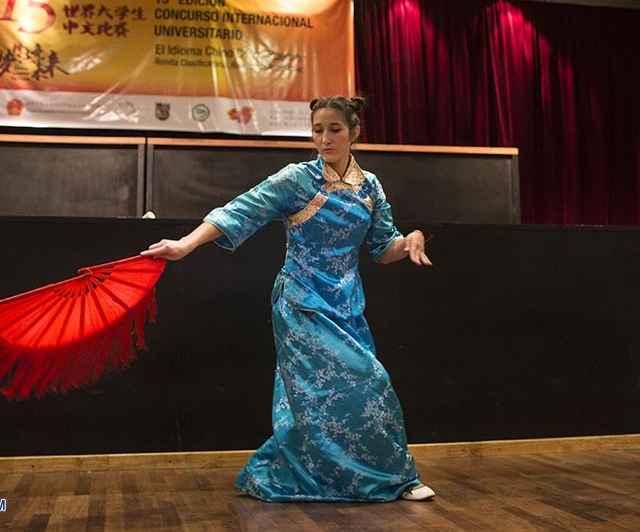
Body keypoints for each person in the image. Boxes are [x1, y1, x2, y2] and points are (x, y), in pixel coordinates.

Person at [142, 95, 435, 502]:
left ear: (354, 133)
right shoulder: (297, 179)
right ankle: (393, 479)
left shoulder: (370, 187)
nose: (325, 138)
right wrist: (186, 245)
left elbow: (384, 249)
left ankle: (337, 477)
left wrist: (411, 241)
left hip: (347, 305)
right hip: (301, 301)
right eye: (318, 130)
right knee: (367, 383)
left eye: (334, 129)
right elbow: (238, 211)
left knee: (321, 400)